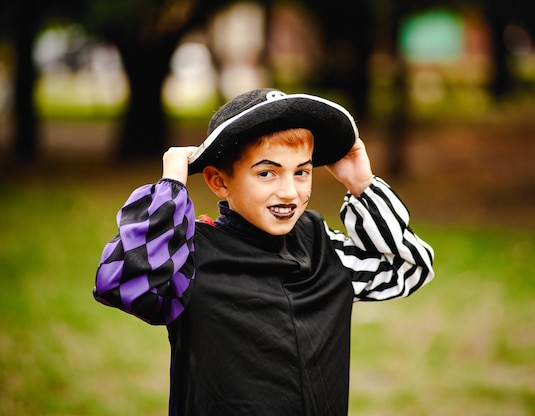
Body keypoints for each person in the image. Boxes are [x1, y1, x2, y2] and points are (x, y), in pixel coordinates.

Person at [93, 88, 434, 415]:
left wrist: (363, 185)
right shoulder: (190, 256)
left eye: (301, 172)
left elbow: (407, 268)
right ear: (219, 181)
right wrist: (171, 187)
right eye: (267, 173)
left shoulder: (318, 244)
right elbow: (123, 283)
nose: (289, 192)